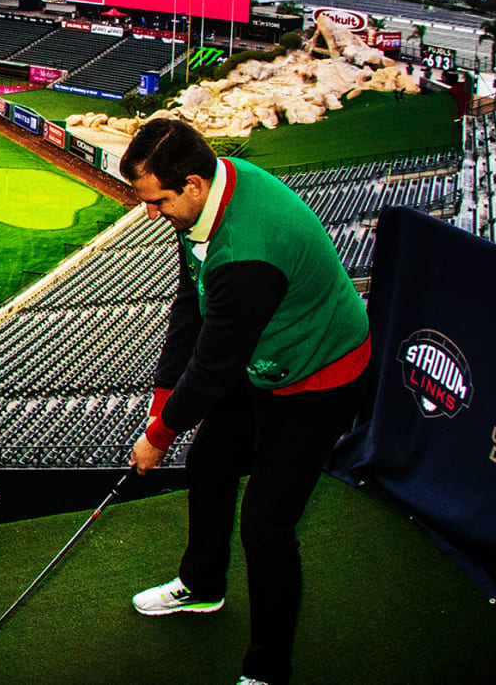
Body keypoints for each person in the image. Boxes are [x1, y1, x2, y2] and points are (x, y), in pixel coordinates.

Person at [120, 118, 371, 685]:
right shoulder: (206, 198)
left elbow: (215, 366)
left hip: (318, 373)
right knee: (209, 462)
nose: (151, 214)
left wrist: (158, 436)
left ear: (193, 186)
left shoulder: (246, 253)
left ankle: (267, 670)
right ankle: (203, 588)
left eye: (157, 201)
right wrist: (163, 404)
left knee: (266, 524)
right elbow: (191, 303)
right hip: (262, 355)